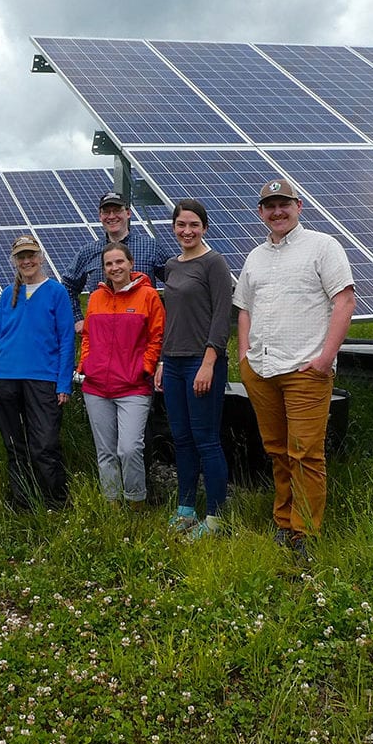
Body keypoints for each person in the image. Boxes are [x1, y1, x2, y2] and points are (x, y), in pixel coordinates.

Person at [233, 176, 355, 555]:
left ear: (298, 206)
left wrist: (325, 359)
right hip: (262, 370)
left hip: (306, 370)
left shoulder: (323, 246)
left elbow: (345, 300)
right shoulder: (255, 257)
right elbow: (244, 309)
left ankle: (305, 534)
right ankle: (283, 521)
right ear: (261, 213)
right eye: (270, 206)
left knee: (305, 454)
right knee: (277, 451)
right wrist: (244, 357)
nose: (277, 211)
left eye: (284, 204)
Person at [154, 199, 234, 541]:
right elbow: (172, 318)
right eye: (181, 225)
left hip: (202, 363)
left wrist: (209, 362)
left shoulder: (214, 262)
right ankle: (186, 509)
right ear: (174, 227)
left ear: (204, 228)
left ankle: (215, 518)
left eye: (193, 225)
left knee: (206, 440)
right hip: (172, 363)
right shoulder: (172, 266)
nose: (187, 231)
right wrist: (161, 360)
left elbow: (222, 316)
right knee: (182, 439)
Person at [0, 235, 76, 510]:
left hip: (43, 378)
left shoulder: (56, 292)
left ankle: (56, 503)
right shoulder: (7, 294)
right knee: (14, 445)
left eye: (31, 255)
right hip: (5, 378)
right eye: (21, 257)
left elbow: (66, 339)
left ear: (41, 257)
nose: (27, 261)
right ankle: (22, 503)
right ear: (14, 261)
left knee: (44, 444)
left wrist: (64, 383)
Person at [79, 241, 165, 506]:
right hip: (96, 387)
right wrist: (86, 364)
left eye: (119, 262)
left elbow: (157, 337)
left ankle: (136, 501)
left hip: (133, 387)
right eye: (109, 264)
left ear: (131, 264)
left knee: (129, 448)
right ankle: (112, 504)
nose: (114, 268)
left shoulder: (148, 296)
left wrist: (145, 367)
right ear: (104, 269)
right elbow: (87, 336)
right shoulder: (96, 297)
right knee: (105, 452)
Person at [63, 190, 172, 335]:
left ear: (128, 213)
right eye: (106, 212)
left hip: (142, 335)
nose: (111, 216)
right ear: (100, 216)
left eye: (117, 211)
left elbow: (176, 282)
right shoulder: (88, 251)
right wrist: (77, 319)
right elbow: (68, 285)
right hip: (102, 335)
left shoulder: (150, 247)